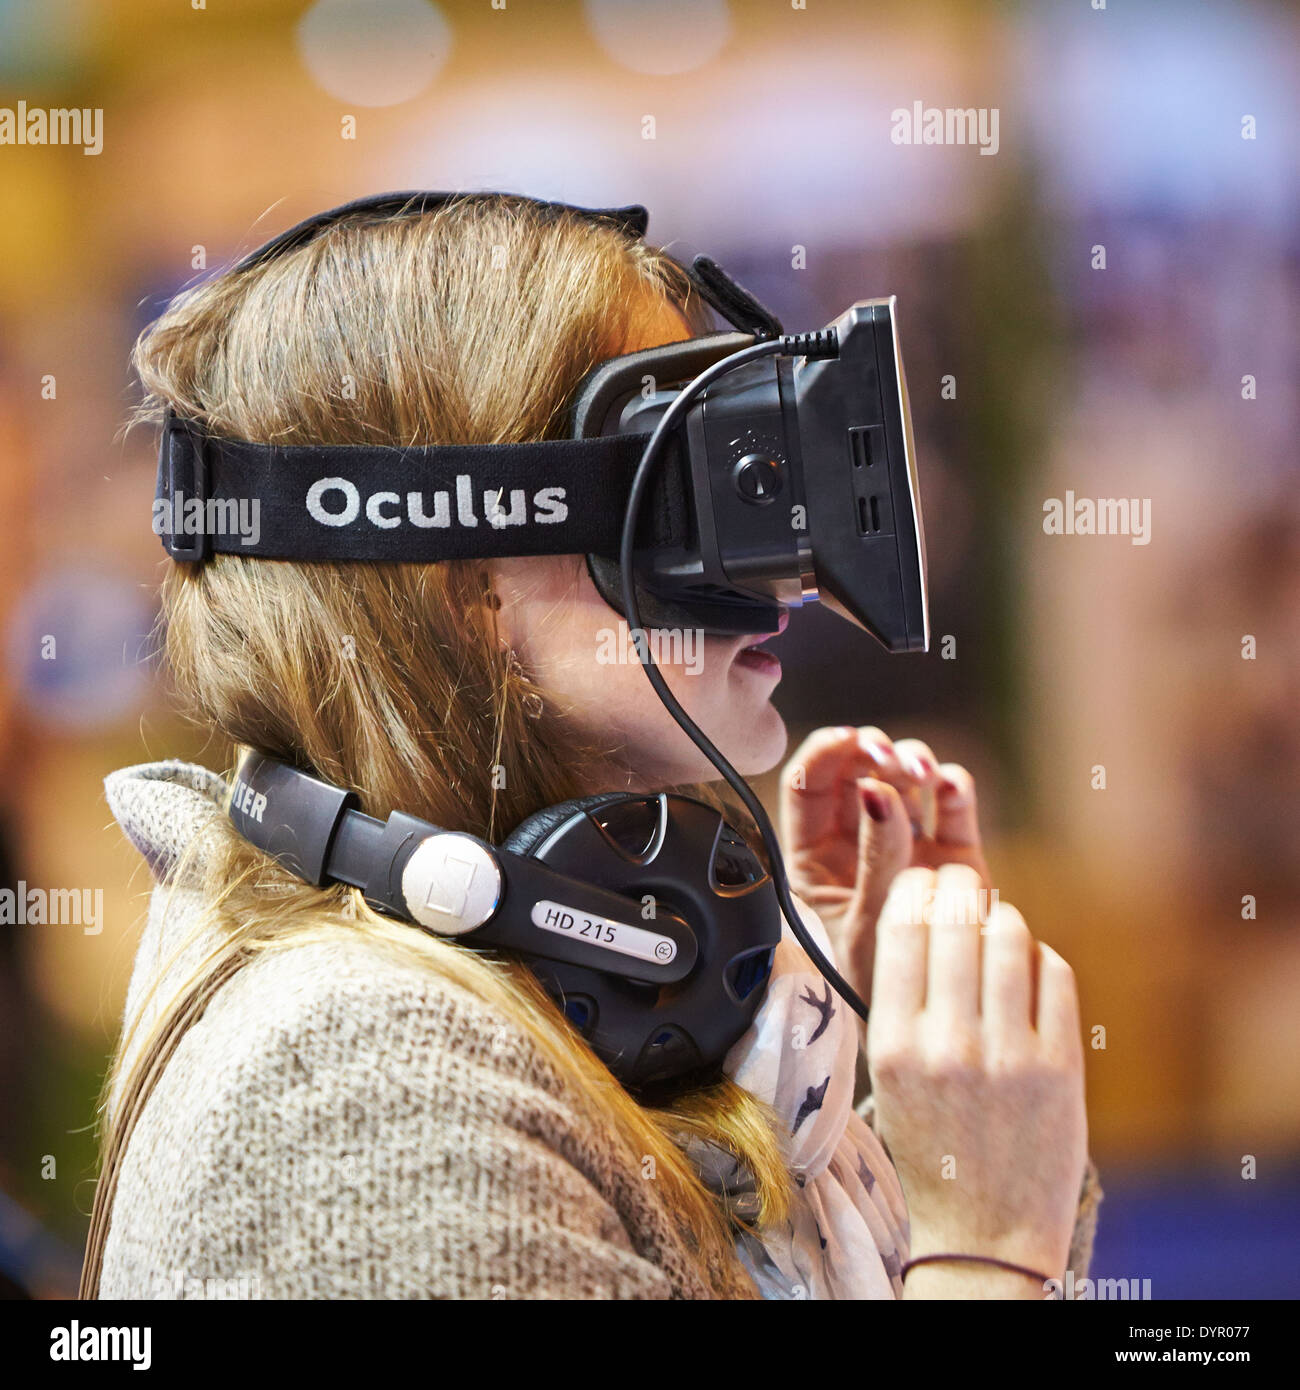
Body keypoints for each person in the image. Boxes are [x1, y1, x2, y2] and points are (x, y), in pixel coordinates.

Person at [89, 193, 1100, 1300]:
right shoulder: (358, 1086)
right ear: (463, 577)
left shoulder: (495, 1003)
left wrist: (877, 1093)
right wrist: (987, 1243)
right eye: (678, 490)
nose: (777, 586)